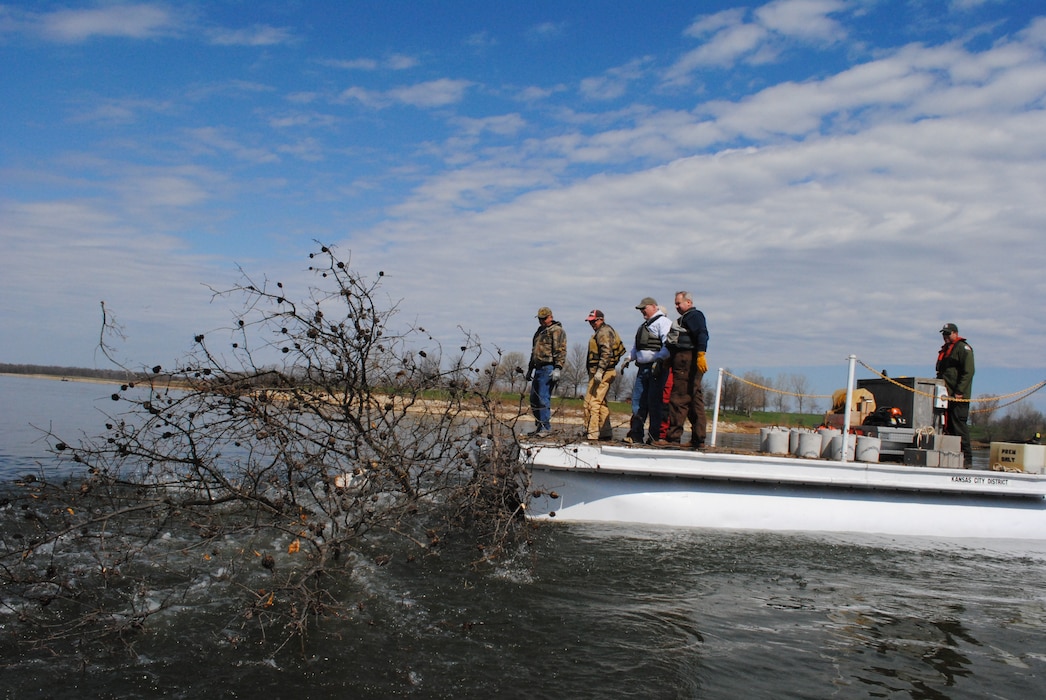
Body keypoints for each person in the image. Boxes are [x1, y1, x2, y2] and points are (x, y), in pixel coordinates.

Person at [663, 291, 710, 448]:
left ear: (688, 302)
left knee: (679, 398)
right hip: (682, 360)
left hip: (686, 362)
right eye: (675, 304)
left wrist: (701, 354)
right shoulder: (684, 319)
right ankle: (698, 439)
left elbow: (702, 334)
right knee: (695, 400)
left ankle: (673, 438)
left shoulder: (694, 316)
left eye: (679, 303)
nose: (676, 306)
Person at [624, 297, 672, 445]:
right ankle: (636, 434)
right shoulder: (643, 326)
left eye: (644, 308)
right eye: (640, 309)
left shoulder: (663, 323)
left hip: (656, 369)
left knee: (654, 402)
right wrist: (628, 358)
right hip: (642, 369)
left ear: (653, 307)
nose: (642, 311)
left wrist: (659, 360)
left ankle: (654, 437)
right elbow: (636, 347)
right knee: (638, 402)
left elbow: (668, 344)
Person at [935, 322, 975, 466]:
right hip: (946, 396)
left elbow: (969, 371)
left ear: (955, 333)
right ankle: (952, 459)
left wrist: (959, 391)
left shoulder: (963, 348)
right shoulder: (946, 350)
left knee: (959, 427)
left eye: (947, 333)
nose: (945, 336)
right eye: (943, 334)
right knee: (948, 427)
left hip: (958, 397)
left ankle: (967, 459)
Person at [583, 309, 626, 441]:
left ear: (600, 319)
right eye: (590, 322)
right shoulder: (603, 331)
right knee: (601, 403)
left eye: (593, 321)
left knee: (591, 403)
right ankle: (605, 432)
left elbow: (606, 352)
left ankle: (592, 433)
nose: (592, 324)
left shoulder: (603, 332)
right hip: (604, 372)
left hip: (603, 372)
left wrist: (600, 371)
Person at [526, 306, 567, 436]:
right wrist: (530, 369)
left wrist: (558, 368)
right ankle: (539, 426)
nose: (542, 321)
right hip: (537, 368)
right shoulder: (539, 331)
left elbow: (561, 350)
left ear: (550, 317)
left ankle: (545, 427)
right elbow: (534, 351)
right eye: (540, 319)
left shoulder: (557, 331)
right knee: (534, 398)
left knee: (543, 398)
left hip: (548, 367)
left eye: (544, 319)